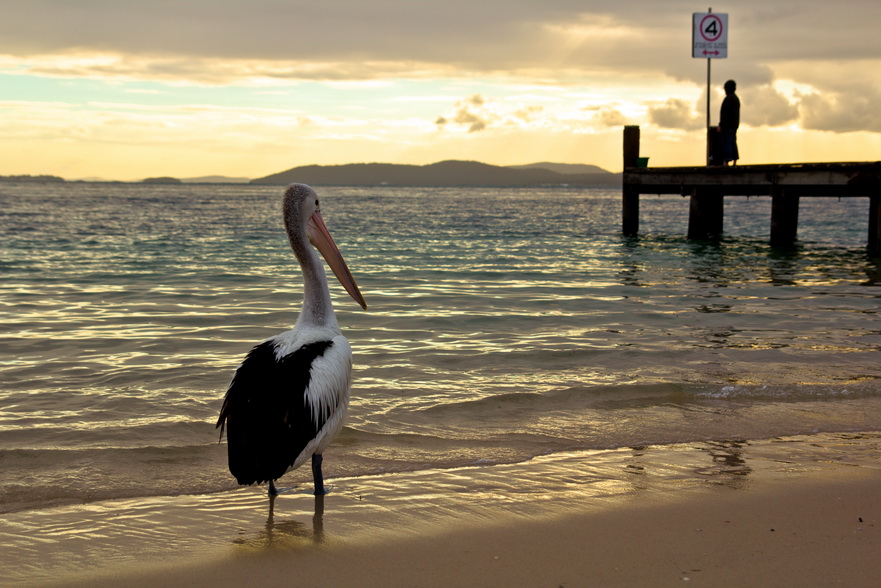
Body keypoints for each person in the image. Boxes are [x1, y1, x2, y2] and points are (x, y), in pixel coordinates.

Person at [718, 79, 740, 165]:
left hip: (727, 126)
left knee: (727, 143)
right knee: (733, 142)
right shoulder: (736, 99)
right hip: (734, 125)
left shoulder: (728, 99)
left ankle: (726, 161)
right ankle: (734, 160)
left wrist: (721, 125)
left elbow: (724, 114)